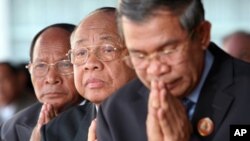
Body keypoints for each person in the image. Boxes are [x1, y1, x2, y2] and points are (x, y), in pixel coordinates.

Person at [97, 0, 250, 141]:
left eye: (168, 50)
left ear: (202, 34)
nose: (155, 69)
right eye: (140, 55)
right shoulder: (116, 112)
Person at [40, 7, 136, 141]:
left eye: (107, 49)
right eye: (81, 53)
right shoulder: (56, 131)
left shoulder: (164, 114)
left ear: (136, 55)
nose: (90, 64)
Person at [1, 23, 83, 141]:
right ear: (30, 70)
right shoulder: (12, 127)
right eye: (40, 66)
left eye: (65, 64)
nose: (51, 78)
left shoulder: (104, 118)